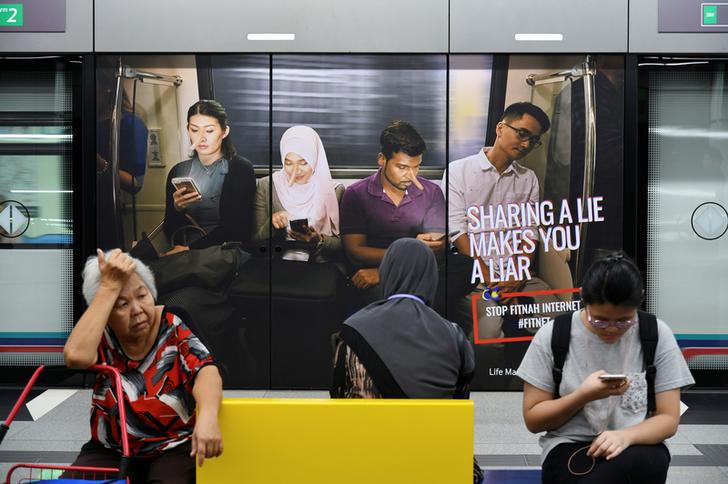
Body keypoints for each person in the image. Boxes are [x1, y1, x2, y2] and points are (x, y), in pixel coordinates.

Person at [516, 253, 694, 483]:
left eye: (624, 321)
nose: (611, 329)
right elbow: (533, 419)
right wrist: (583, 395)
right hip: (570, 445)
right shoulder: (554, 335)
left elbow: (669, 419)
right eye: (599, 320)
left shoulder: (655, 334)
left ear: (638, 301)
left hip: (638, 444)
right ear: (583, 299)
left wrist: (625, 436)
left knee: (628, 468)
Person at [63, 249, 224, 483]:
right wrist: (108, 287)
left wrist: (208, 416)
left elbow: (206, 370)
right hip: (111, 449)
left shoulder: (173, 322)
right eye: (122, 304)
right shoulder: (100, 334)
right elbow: (75, 357)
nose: (137, 310)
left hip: (173, 445)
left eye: (142, 296)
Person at [330, 238, 480, 482]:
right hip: (436, 464)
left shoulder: (353, 329)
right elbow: (458, 406)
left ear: (387, 272)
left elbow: (339, 397)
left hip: (370, 461)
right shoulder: (454, 335)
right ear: (431, 277)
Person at [444, 102, 559, 340]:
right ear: (499, 128)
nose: (527, 144)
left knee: (560, 322)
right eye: (522, 133)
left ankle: (531, 376)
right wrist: (494, 282)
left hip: (516, 272)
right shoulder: (458, 170)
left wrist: (516, 277)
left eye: (534, 140)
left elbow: (530, 232)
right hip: (476, 275)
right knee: (488, 338)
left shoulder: (528, 179)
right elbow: (458, 233)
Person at [339, 120, 446, 302]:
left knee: (463, 266)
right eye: (402, 167)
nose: (411, 176)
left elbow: (437, 250)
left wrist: (385, 271)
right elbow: (356, 252)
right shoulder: (356, 194)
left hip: (415, 272)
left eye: (416, 167)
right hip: (375, 278)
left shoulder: (431, 192)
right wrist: (412, 250)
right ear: (382, 159)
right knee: (399, 301)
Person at [163, 100, 255, 252]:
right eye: (194, 130)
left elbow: (238, 230)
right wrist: (177, 209)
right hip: (184, 250)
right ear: (187, 130)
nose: (201, 138)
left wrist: (190, 249)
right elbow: (170, 230)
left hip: (225, 251)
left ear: (224, 132)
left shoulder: (240, 169)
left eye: (209, 131)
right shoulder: (178, 171)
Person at [253, 125, 343, 262]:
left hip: (318, 265)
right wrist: (271, 225)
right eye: (288, 163)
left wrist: (318, 239)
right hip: (276, 263)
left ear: (314, 159)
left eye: (303, 163)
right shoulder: (267, 186)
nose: (295, 171)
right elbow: (255, 243)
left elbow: (342, 245)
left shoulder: (333, 191)